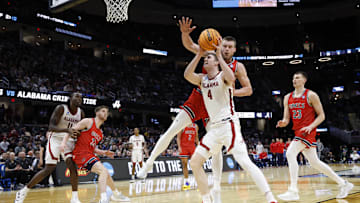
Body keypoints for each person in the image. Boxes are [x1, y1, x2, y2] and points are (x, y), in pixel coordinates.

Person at [138, 18, 253, 202]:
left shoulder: (237, 66)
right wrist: (185, 33)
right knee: (172, 130)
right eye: (224, 46)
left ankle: (216, 188)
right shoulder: (209, 54)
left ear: (233, 49)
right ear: (219, 43)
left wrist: (231, 93)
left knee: (216, 150)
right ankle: (148, 164)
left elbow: (248, 90)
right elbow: (191, 45)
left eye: (229, 47)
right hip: (198, 97)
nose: (225, 49)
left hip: (215, 105)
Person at [183, 39, 277, 203]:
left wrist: (218, 54)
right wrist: (199, 55)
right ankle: (207, 199)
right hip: (214, 129)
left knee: (245, 162)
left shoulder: (224, 77)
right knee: (195, 162)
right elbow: (186, 75)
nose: (207, 59)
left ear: (217, 62)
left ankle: (270, 198)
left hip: (229, 125)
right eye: (206, 58)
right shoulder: (202, 79)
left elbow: (231, 77)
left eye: (209, 58)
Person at [276, 71, 354, 201]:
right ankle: (343, 184)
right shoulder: (287, 97)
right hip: (298, 131)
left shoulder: (311, 95)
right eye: (293, 78)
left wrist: (311, 126)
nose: (294, 80)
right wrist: (283, 122)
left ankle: (293, 190)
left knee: (290, 153)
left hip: (307, 131)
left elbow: (322, 115)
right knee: (315, 162)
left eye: (297, 77)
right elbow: (286, 118)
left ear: (304, 80)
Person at [15, 92, 84, 203]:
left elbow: (81, 130)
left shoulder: (81, 113)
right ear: (70, 98)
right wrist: (67, 130)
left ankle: (75, 198)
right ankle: (23, 191)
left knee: (72, 166)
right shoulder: (61, 108)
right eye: (76, 96)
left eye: (81, 97)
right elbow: (51, 126)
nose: (79, 99)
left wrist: (79, 134)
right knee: (49, 169)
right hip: (55, 138)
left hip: (69, 140)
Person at [70, 105, 130, 203]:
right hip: (80, 154)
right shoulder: (88, 121)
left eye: (106, 112)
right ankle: (103, 198)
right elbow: (72, 129)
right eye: (103, 111)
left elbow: (93, 148)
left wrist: (104, 152)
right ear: (97, 112)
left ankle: (116, 194)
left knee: (106, 173)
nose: (105, 113)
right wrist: (69, 137)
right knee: (103, 171)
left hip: (89, 154)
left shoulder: (100, 133)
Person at [176, 123, 199, 190]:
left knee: (196, 165)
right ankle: (186, 183)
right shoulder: (182, 125)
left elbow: (196, 137)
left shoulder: (195, 126)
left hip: (192, 146)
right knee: (185, 164)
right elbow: (178, 138)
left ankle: (199, 183)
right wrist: (179, 147)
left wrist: (199, 145)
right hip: (184, 147)